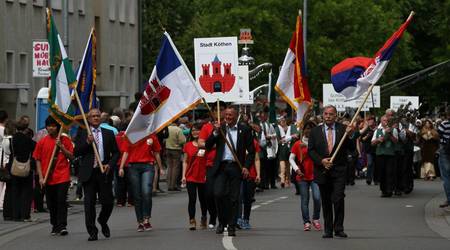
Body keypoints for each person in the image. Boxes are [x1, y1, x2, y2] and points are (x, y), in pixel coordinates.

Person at [206, 106, 255, 237]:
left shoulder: (244, 130)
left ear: (236, 116)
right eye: (226, 115)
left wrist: (246, 166)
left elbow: (251, 151)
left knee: (234, 198)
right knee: (218, 194)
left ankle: (231, 225)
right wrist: (215, 133)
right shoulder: (220, 129)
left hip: (236, 167)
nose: (227, 117)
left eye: (230, 115)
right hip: (221, 167)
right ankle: (222, 221)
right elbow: (208, 145)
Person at [308, 105, 355, 238]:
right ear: (323, 115)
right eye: (326, 114)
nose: (328, 116)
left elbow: (351, 148)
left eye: (331, 114)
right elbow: (311, 151)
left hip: (339, 169)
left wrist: (350, 135)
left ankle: (338, 228)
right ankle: (328, 229)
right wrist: (321, 161)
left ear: (336, 116)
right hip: (323, 170)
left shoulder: (343, 129)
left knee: (338, 198)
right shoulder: (315, 131)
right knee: (326, 200)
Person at [74, 108, 120, 241]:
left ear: (101, 118)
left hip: (103, 172)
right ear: (88, 119)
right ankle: (92, 231)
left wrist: (110, 165)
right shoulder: (83, 133)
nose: (95, 118)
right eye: (93, 116)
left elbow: (116, 152)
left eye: (97, 116)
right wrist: (88, 142)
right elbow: (76, 151)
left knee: (108, 202)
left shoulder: (108, 133)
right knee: (89, 204)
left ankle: (102, 220)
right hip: (89, 173)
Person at [33, 116, 73, 236]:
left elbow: (71, 156)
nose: (51, 128)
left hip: (62, 176)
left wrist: (61, 147)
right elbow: (37, 159)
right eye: (49, 126)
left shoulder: (65, 140)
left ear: (58, 127)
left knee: (61, 201)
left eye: (53, 126)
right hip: (47, 177)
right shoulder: (42, 142)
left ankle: (62, 225)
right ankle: (54, 225)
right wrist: (40, 177)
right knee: (51, 203)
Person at [119, 132, 162, 232]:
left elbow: (156, 152)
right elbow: (126, 152)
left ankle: (146, 219)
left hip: (148, 165)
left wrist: (160, 167)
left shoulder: (151, 135)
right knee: (137, 195)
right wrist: (121, 167)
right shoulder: (129, 135)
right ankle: (140, 221)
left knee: (146, 192)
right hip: (133, 167)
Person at [290, 121, 322, 231]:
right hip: (302, 176)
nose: (309, 131)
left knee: (317, 198)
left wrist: (307, 146)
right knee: (305, 200)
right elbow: (291, 158)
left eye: (311, 128)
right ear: (303, 130)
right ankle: (306, 221)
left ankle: (316, 218)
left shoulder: (318, 143)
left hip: (315, 175)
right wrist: (297, 169)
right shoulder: (297, 144)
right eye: (307, 128)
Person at [3, 117, 35, 222]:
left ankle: (13, 214)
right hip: (26, 167)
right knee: (26, 191)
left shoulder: (11, 140)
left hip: (14, 167)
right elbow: (35, 149)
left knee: (14, 191)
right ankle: (24, 214)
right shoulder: (29, 140)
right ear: (26, 128)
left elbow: (7, 152)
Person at [198, 105, 225, 229]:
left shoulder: (228, 126)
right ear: (213, 112)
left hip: (224, 163)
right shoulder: (206, 127)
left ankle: (222, 218)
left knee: (221, 194)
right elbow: (201, 143)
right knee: (208, 193)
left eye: (222, 110)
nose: (219, 112)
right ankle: (212, 215)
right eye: (216, 110)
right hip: (210, 164)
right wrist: (215, 145)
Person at [181, 123, 208, 230]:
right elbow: (185, 161)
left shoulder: (205, 145)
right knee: (192, 199)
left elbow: (208, 160)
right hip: (190, 176)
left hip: (203, 176)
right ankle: (192, 220)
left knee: (203, 200)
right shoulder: (187, 145)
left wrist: (207, 174)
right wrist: (183, 176)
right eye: (193, 130)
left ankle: (204, 218)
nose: (195, 132)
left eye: (197, 130)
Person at [237, 131, 261, 230]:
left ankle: (246, 219)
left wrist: (258, 174)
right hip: (238, 173)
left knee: (248, 198)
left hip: (251, 174)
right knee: (239, 196)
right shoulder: (236, 141)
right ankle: (238, 219)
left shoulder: (254, 142)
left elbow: (256, 159)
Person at [371, 115, 398, 197]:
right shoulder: (377, 131)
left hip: (390, 154)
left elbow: (396, 141)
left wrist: (390, 134)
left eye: (387, 120)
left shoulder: (393, 130)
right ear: (381, 121)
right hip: (380, 154)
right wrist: (377, 140)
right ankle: (383, 190)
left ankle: (390, 189)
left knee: (389, 172)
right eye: (384, 120)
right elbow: (372, 143)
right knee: (382, 173)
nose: (385, 122)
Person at [275, 116, 298, 188]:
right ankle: (282, 180)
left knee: (288, 165)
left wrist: (288, 138)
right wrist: (289, 137)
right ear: (279, 122)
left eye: (284, 120)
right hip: (281, 148)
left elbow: (296, 135)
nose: (283, 121)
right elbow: (277, 139)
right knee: (282, 165)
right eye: (281, 120)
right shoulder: (278, 128)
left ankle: (287, 180)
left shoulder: (290, 127)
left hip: (289, 148)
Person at [258, 110, 278, 189]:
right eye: (262, 116)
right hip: (261, 147)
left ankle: (272, 183)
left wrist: (270, 136)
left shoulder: (269, 125)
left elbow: (275, 134)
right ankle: (264, 183)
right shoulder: (258, 125)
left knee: (271, 167)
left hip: (269, 147)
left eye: (265, 116)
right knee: (264, 167)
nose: (263, 118)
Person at [166, 121, 186, 191]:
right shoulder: (178, 129)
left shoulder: (167, 128)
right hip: (176, 149)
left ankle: (169, 185)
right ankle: (173, 185)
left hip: (167, 149)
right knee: (175, 168)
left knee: (169, 167)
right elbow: (182, 141)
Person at [437, 111, 450, 208]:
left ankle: (449, 199)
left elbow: (438, 134)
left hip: (445, 149)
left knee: (446, 176)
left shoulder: (444, 124)